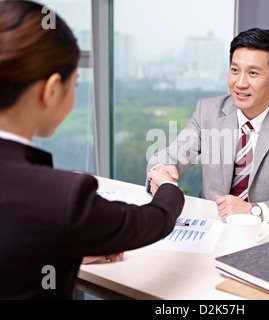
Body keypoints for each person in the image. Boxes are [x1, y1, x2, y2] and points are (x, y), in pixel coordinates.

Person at [0, 0, 184, 299]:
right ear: (51, 90)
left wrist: (63, 247)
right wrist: (168, 187)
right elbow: (154, 221)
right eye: (75, 85)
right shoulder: (59, 197)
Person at [147, 28, 269, 226]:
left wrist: (254, 211)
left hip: (262, 233)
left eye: (253, 73)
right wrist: (161, 170)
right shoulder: (208, 111)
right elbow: (170, 157)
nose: (240, 83)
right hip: (209, 225)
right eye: (235, 70)